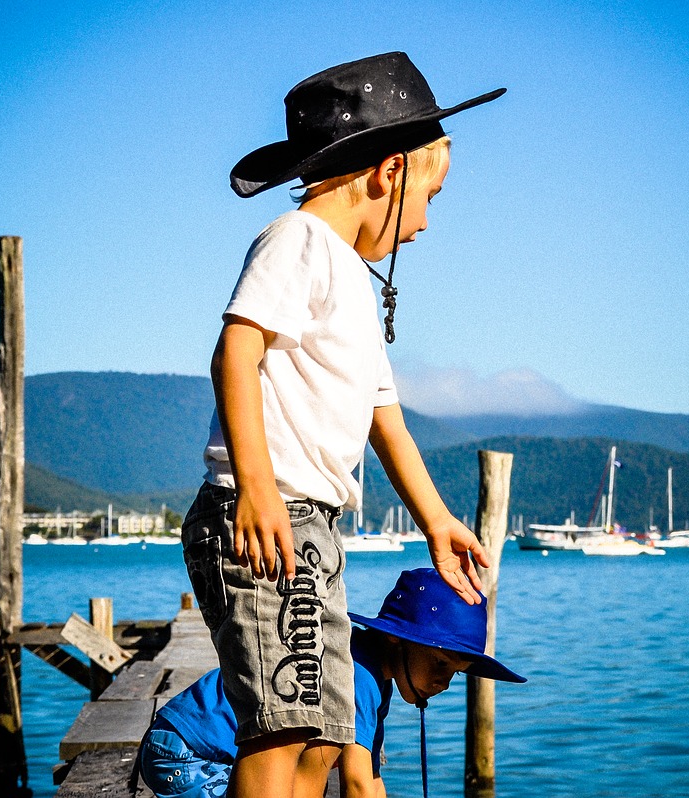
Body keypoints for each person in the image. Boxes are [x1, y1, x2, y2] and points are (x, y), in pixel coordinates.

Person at [180, 52, 505, 798]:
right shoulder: (297, 242)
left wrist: (436, 519)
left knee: (324, 738)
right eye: (431, 197)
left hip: (313, 524)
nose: (425, 225)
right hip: (263, 514)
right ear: (389, 174)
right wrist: (257, 488)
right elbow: (235, 351)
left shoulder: (352, 283)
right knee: (278, 732)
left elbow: (384, 422)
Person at [138, 568, 526, 798]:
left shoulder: (373, 673)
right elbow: (356, 786)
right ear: (396, 638)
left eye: (454, 672)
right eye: (440, 663)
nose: (444, 682)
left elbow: (370, 778)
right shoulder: (356, 675)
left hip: (194, 741)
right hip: (186, 752)